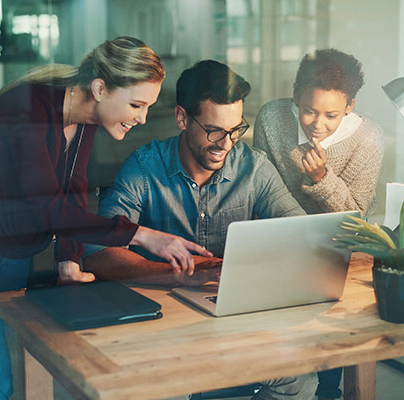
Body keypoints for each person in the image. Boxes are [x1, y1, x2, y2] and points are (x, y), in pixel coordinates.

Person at [0, 36, 211, 400]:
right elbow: (48, 208)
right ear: (100, 88)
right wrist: (142, 235)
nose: (142, 118)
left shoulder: (84, 118)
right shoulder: (26, 109)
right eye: (136, 104)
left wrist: (69, 259)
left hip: (12, 254)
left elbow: (74, 192)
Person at [84, 60, 316, 400]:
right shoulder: (145, 168)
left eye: (235, 130)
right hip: (162, 328)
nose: (226, 143)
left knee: (300, 381)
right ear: (182, 118)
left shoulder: (255, 169)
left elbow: (302, 236)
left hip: (235, 322)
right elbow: (97, 254)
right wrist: (176, 274)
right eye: (214, 131)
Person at [253, 48, 384, 400]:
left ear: (350, 106)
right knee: (283, 347)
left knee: (327, 350)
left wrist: (323, 178)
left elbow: (356, 217)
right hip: (281, 245)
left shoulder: (367, 139)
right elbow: (261, 187)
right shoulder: (272, 118)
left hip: (338, 252)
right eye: (309, 110)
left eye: (331, 115)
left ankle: (326, 391)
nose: (317, 124)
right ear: (295, 96)